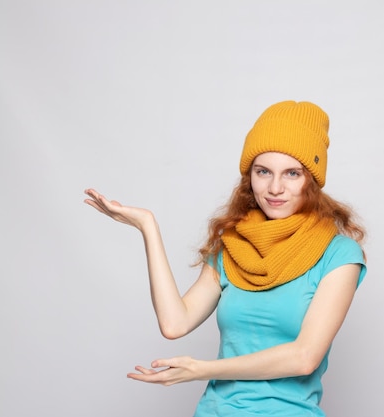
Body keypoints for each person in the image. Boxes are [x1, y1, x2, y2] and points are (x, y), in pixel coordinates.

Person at [83, 100, 367, 417]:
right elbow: (175, 323)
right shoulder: (232, 246)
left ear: (311, 181)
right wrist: (148, 227)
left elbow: (304, 357)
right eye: (263, 172)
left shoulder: (338, 254)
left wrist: (202, 369)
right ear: (250, 177)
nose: (275, 187)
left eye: (291, 173)